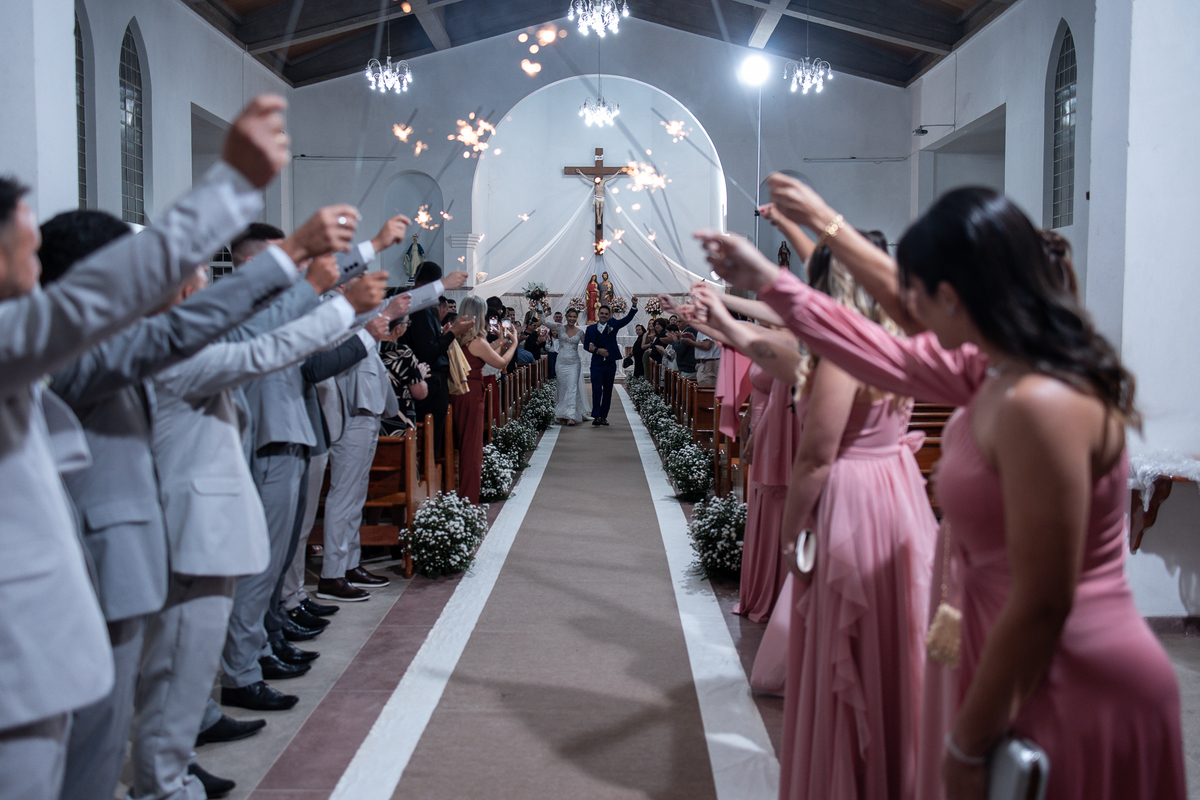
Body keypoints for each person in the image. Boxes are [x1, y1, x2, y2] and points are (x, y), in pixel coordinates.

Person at [702, 174, 1186, 800]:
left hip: (1064, 671)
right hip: (1002, 652)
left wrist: (967, 741)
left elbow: (1042, 603)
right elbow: (871, 337)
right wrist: (784, 263)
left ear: (955, 298)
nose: (906, 316)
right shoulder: (990, 372)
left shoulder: (1040, 402)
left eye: (918, 298)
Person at [0, 93, 288, 800]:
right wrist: (232, 189)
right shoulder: (68, 350)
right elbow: (169, 330)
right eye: (24, 248)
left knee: (94, 755)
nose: (32, 265)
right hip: (48, 611)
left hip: (92, 578)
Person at [692, 237, 937, 800]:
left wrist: (790, 540)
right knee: (891, 635)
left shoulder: (843, 354)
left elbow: (817, 455)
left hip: (854, 496)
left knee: (846, 639)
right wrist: (726, 326)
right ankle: (896, 766)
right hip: (898, 490)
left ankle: (854, 773)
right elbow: (787, 357)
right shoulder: (892, 337)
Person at [453, 295, 518, 503]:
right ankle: (468, 497)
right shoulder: (478, 341)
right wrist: (514, 343)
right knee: (472, 447)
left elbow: (485, 354)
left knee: (462, 442)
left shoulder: (456, 336)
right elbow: (500, 362)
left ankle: (458, 494)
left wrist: (501, 341)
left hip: (457, 392)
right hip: (471, 394)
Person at [583, 297, 638, 426]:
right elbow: (586, 345)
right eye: (602, 313)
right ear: (598, 314)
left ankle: (604, 416)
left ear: (609, 315)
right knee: (597, 389)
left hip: (609, 363)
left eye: (606, 314)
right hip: (596, 363)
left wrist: (634, 306)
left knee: (607, 390)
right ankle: (596, 415)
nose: (603, 315)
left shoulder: (613, 324)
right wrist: (597, 350)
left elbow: (626, 319)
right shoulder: (590, 329)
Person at [547, 307, 590, 425]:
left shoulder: (580, 332)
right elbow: (545, 322)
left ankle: (571, 415)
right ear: (566, 317)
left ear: (577, 318)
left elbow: (587, 344)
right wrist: (540, 309)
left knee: (572, 387)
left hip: (574, 363)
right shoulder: (560, 328)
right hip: (561, 362)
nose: (572, 319)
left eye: (574, 317)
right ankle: (562, 414)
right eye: (570, 316)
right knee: (562, 388)